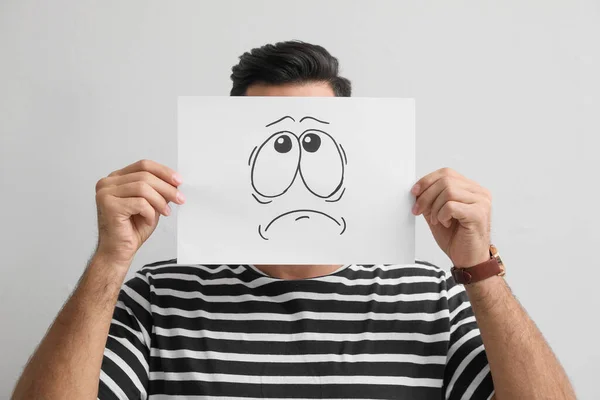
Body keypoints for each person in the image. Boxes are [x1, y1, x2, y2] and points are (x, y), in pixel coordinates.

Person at [12, 41, 575, 400]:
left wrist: (479, 265)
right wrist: (111, 260)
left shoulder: (432, 296)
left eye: (318, 134)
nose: (299, 159)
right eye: (274, 137)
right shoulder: (159, 294)